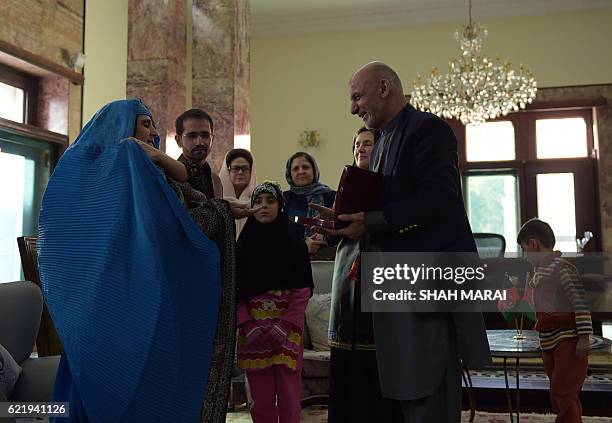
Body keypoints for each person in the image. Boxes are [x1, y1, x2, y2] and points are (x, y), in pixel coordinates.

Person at [39, 99, 254, 423]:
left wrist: (219, 206)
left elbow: (185, 205)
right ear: (121, 127)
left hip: (131, 296)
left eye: (154, 126)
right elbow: (163, 228)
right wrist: (220, 212)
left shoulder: (142, 166)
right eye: (146, 124)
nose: (153, 134)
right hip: (114, 306)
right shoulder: (118, 168)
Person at [320, 62, 490, 422]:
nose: (352, 108)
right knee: (403, 389)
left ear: (384, 88)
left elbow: (439, 199)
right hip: (395, 284)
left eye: (356, 97)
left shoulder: (429, 131)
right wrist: (348, 220)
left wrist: (372, 221)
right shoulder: (382, 140)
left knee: (428, 388)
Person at [323, 127, 399, 422]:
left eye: (368, 144)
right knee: (346, 362)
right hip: (346, 277)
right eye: (357, 145)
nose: (361, 149)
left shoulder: (392, 187)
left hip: (382, 277)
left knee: (378, 363)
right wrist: (328, 225)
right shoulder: (345, 189)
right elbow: (334, 240)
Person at [235, 181, 313, 423]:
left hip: (287, 332)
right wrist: (248, 325)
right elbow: (235, 292)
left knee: (289, 395)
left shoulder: (294, 243)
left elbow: (303, 290)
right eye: (257, 202)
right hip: (253, 333)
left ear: (281, 206)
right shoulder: (242, 247)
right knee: (261, 397)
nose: (263, 206)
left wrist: (285, 325)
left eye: (270, 201)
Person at [518, 218, 592, 423]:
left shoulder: (562, 268)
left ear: (534, 244)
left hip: (567, 340)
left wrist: (584, 337)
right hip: (549, 341)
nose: (525, 256)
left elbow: (580, 302)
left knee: (563, 392)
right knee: (561, 392)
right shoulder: (539, 272)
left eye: (524, 249)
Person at [284, 151, 336, 260]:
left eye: (305, 167)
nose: (301, 171)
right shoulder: (284, 199)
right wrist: (304, 244)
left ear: (314, 170)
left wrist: (326, 237)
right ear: (289, 174)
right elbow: (280, 234)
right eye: (296, 169)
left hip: (330, 261)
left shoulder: (332, 196)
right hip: (294, 261)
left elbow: (341, 227)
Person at [175, 108, 223, 199]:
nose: (199, 142)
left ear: (212, 138)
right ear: (178, 140)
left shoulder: (215, 181)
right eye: (192, 136)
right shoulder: (170, 177)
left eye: (205, 135)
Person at [219, 148, 257, 238]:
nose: (240, 172)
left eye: (244, 168)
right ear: (227, 171)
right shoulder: (218, 201)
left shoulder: (258, 202)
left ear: (251, 171)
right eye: (235, 168)